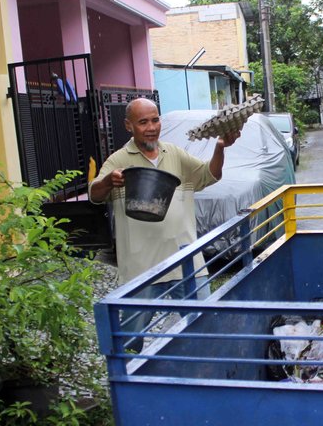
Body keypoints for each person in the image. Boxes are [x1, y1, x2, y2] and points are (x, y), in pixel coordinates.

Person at [89, 97, 240, 351]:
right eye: (143, 122)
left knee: (205, 327)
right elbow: (94, 193)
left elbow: (209, 174)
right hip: (142, 267)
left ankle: (204, 376)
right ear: (128, 126)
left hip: (185, 261)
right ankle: (131, 385)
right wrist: (108, 182)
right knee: (130, 341)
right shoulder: (119, 160)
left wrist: (220, 148)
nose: (151, 127)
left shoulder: (175, 154)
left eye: (155, 120)